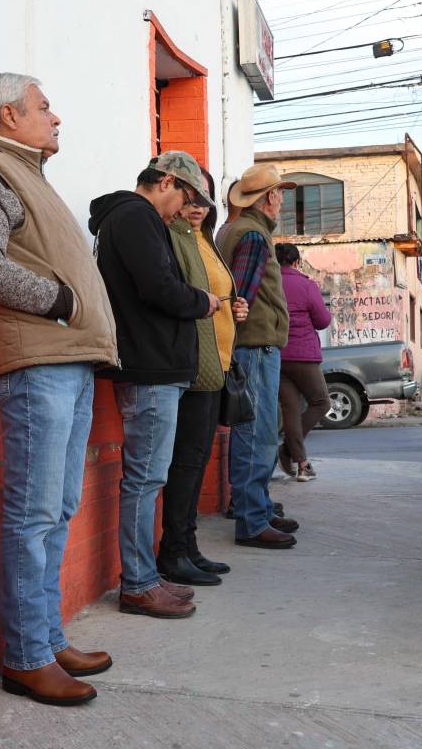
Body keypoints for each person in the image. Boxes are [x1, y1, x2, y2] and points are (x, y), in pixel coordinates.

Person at [0, 73, 118, 707]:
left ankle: (45, 639)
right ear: (10, 114)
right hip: (36, 363)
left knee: (57, 509)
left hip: (64, 361)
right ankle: (25, 656)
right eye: (45, 107)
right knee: (33, 515)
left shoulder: (27, 176)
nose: (56, 117)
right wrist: (62, 301)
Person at [88, 151, 219, 618]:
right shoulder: (135, 217)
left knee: (147, 478)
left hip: (151, 365)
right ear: (165, 181)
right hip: (149, 368)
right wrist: (203, 301)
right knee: (145, 480)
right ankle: (138, 583)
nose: (186, 208)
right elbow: (158, 288)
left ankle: (144, 576)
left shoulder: (129, 218)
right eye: (184, 195)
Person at [159, 167, 247, 586]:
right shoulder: (172, 237)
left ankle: (188, 546)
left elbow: (218, 294)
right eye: (190, 198)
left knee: (197, 460)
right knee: (186, 461)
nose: (197, 207)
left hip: (220, 360)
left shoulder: (204, 241)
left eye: (205, 200)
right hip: (195, 362)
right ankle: (174, 550)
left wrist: (236, 307)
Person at [216, 163, 299, 549]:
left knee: (258, 433)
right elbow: (241, 295)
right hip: (254, 348)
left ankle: (258, 509)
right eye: (280, 193)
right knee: (257, 435)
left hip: (254, 346)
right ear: (269, 197)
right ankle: (251, 519)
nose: (282, 200)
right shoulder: (251, 234)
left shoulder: (240, 229)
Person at [274, 243, 332, 482]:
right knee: (321, 403)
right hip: (303, 356)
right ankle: (288, 451)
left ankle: (302, 465)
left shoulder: (269, 283)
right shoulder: (306, 285)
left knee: (291, 409)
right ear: (297, 262)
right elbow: (322, 320)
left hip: (277, 354)